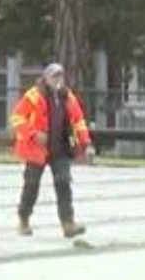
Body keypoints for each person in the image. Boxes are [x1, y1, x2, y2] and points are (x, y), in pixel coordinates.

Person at [10, 63, 93, 238]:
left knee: (64, 184)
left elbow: (79, 121)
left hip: (60, 149)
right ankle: (23, 220)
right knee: (31, 185)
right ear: (46, 78)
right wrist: (33, 134)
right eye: (55, 76)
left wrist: (85, 143)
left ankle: (68, 224)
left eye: (61, 76)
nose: (58, 79)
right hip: (36, 150)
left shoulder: (68, 97)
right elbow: (16, 118)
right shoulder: (33, 96)